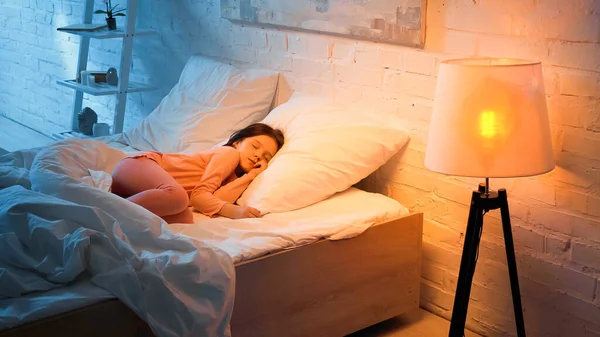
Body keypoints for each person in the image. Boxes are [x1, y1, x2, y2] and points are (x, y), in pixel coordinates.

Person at [110, 123, 284, 224]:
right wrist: (237, 212)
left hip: (143, 190)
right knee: (179, 197)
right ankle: (106, 214)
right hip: (140, 164)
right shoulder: (228, 154)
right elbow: (199, 197)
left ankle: (117, 207)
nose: (257, 156)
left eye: (265, 157)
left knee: (185, 217)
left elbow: (213, 201)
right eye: (255, 146)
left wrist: (251, 176)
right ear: (237, 143)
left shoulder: (234, 177)